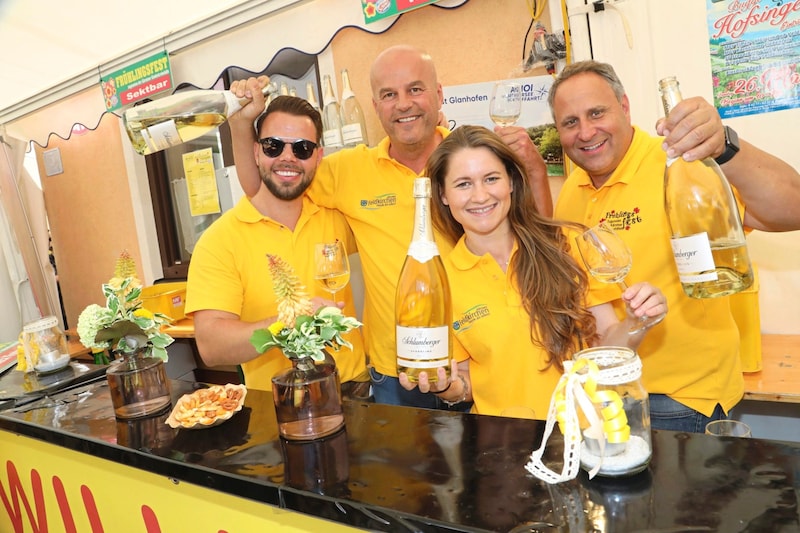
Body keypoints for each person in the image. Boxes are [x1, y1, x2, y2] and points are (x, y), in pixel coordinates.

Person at [228, 45, 554, 409]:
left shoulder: (470, 162)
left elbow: (537, 233)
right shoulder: (349, 171)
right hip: (394, 373)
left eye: (415, 89)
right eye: (389, 94)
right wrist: (242, 123)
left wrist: (536, 170)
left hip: (482, 361)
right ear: (375, 106)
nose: (403, 104)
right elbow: (263, 186)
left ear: (438, 94)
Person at [548, 60, 800, 432]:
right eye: (570, 122)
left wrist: (725, 148)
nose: (586, 132)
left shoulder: (681, 160)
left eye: (596, 113)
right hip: (604, 394)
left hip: (679, 399)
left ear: (625, 105)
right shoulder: (572, 189)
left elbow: (792, 208)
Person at [397, 125, 667, 416]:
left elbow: (608, 346)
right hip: (500, 444)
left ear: (511, 182)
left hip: (582, 438)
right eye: (463, 184)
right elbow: (466, 381)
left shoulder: (567, 244)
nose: (480, 195)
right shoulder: (442, 281)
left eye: (491, 179)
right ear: (443, 195)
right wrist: (446, 387)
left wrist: (638, 321)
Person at [185, 95, 368, 396]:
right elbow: (211, 345)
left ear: (318, 157)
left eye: (302, 148)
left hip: (356, 389)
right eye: (274, 146)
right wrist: (287, 323)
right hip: (278, 402)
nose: (288, 157)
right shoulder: (219, 241)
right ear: (256, 152)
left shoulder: (336, 216)